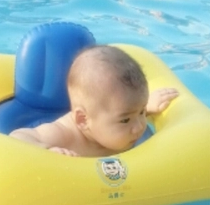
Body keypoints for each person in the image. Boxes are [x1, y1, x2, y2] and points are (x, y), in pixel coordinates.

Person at [9, 45, 179, 157]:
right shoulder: (64, 135)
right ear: (83, 120)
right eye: (125, 120)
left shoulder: (118, 116)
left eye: (141, 112)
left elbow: (123, 111)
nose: (139, 127)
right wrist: (48, 150)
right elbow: (17, 138)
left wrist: (147, 108)